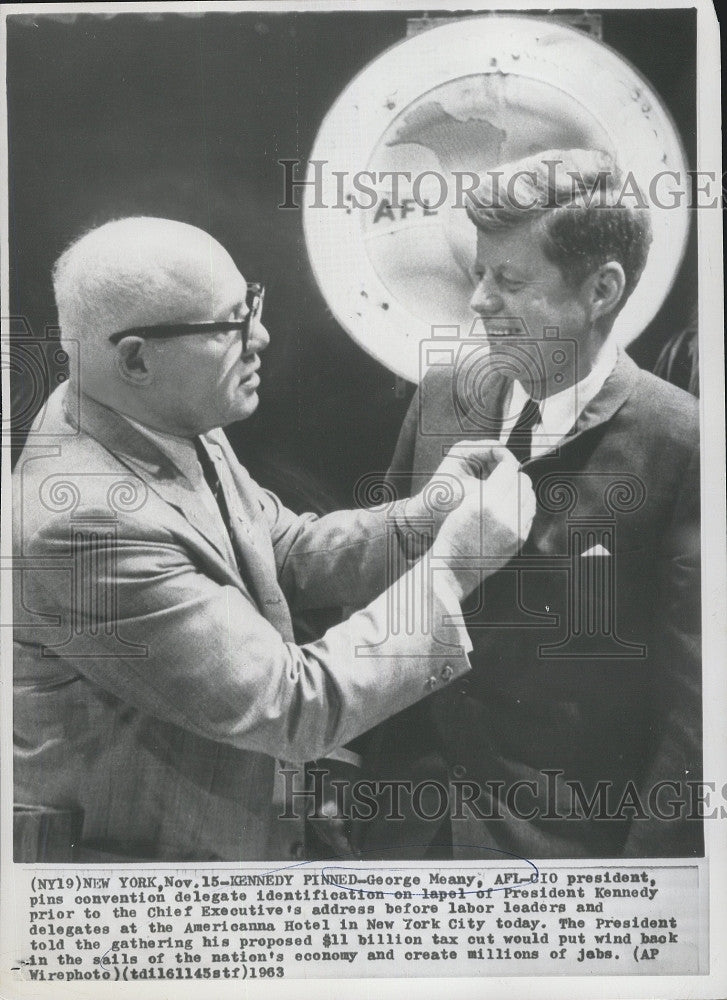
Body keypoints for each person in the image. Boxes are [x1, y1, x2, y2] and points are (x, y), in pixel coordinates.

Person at [12, 216, 536, 863]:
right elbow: (291, 705)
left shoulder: (154, 410)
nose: (259, 335)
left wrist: (423, 517)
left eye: (250, 304)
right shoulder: (85, 525)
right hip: (164, 889)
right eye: (229, 324)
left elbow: (278, 551)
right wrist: (453, 568)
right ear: (136, 358)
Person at [353, 150, 701, 859]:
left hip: (564, 865)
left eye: (507, 280)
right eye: (477, 273)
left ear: (600, 290)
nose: (478, 300)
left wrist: (646, 893)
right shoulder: (441, 397)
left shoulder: (684, 444)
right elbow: (378, 589)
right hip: (399, 838)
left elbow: (694, 713)